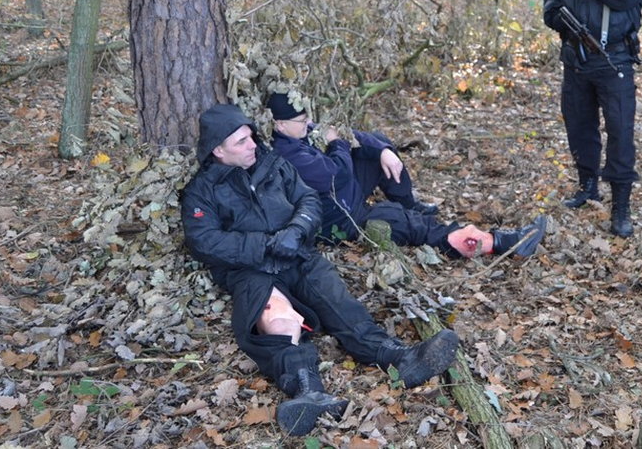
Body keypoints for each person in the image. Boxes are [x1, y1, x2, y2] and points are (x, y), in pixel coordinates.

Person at [181, 103, 461, 437]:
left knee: (340, 303)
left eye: (251, 137)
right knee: (277, 319)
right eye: (241, 141)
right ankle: (307, 390)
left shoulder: (275, 165)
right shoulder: (202, 191)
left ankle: (399, 358)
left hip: (298, 253)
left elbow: (308, 200)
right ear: (218, 149)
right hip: (250, 268)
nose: (253, 144)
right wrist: (266, 244)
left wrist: (297, 230)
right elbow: (206, 242)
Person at [266, 92, 547, 259]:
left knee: (375, 146)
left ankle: (409, 203)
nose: (308, 123)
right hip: (343, 217)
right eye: (301, 121)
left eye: (306, 118)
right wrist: (336, 143)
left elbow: (353, 136)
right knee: (404, 223)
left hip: (347, 195)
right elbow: (335, 174)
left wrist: (383, 150)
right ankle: (500, 243)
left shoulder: (300, 131)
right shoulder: (288, 154)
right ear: (279, 124)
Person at [543, 0, 642, 237]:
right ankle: (587, 187)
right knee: (579, 125)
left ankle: (621, 206)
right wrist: (552, 15)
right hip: (575, 60)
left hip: (614, 60)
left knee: (620, 134)